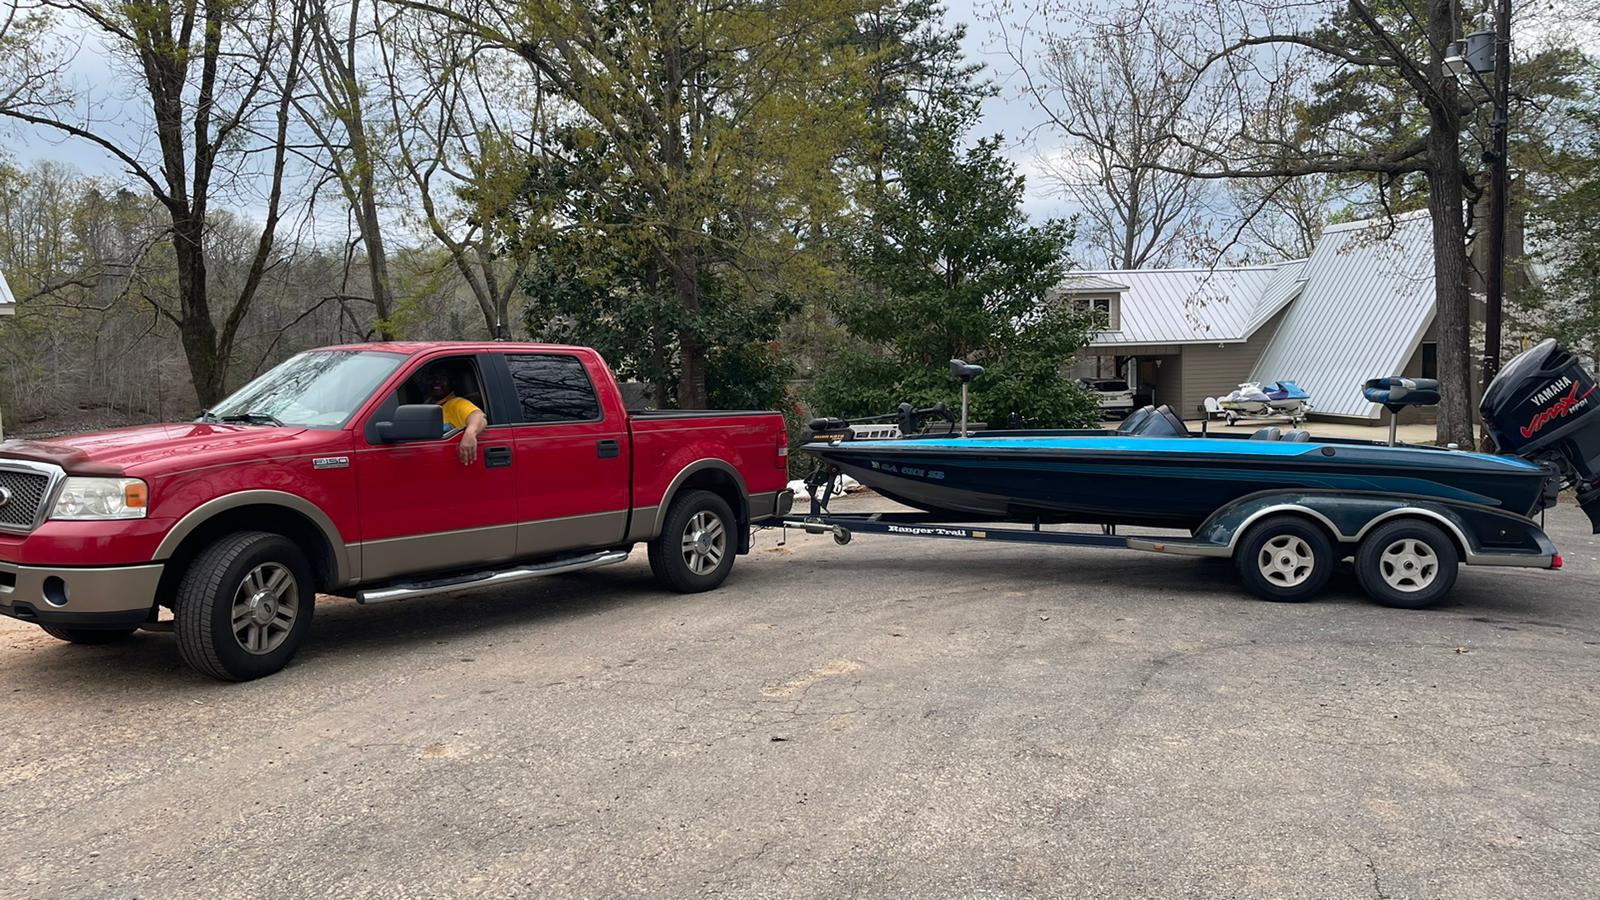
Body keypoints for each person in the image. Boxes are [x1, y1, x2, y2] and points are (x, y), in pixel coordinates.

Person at [418, 365, 487, 465]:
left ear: (452, 382)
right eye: (432, 378)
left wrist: (470, 434)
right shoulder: (429, 402)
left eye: (442, 377)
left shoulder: (456, 404)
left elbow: (479, 416)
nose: (436, 381)